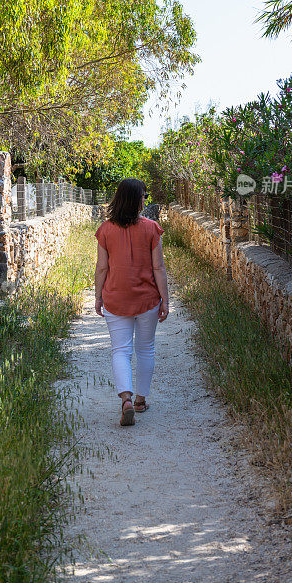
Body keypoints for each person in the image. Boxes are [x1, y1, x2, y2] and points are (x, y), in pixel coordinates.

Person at [94, 178, 169, 426]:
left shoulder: (105, 230)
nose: (145, 200)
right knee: (145, 349)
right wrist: (165, 299)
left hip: (115, 297)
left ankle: (125, 399)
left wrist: (97, 297)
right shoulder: (151, 229)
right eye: (144, 196)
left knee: (120, 350)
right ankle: (140, 400)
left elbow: (102, 267)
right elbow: (158, 267)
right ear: (137, 200)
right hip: (147, 299)